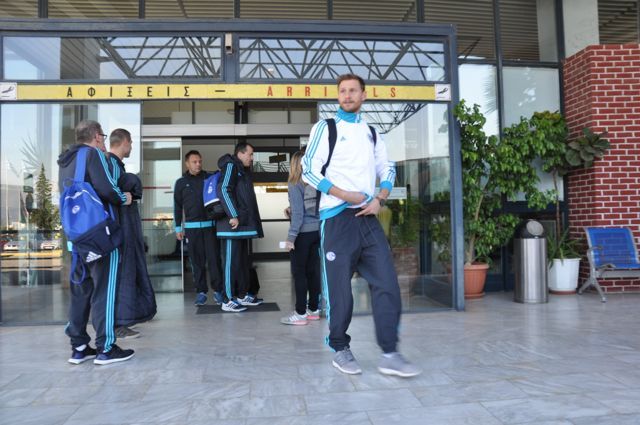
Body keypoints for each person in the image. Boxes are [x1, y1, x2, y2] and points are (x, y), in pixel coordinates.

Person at [301, 74, 422, 377]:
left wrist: (380, 198)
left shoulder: (372, 132)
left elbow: (388, 168)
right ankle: (340, 348)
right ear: (338, 96)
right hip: (336, 219)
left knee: (387, 284)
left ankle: (390, 352)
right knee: (340, 291)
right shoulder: (326, 128)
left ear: (363, 95)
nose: (347, 95)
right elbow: (308, 170)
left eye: (353, 90)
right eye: (342, 91)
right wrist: (343, 194)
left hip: (368, 219)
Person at [58, 120, 135, 365]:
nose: (103, 141)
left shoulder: (66, 161)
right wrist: (125, 197)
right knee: (104, 290)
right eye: (102, 136)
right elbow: (107, 189)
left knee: (81, 291)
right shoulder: (94, 155)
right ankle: (106, 347)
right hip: (99, 237)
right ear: (97, 137)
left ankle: (79, 346)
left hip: (76, 238)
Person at [108, 129, 157, 339]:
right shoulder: (110, 165)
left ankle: (127, 318)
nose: (131, 147)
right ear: (125, 142)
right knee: (122, 277)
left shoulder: (115, 165)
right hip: (119, 233)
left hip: (124, 232)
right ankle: (118, 325)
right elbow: (108, 193)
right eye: (131, 143)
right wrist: (124, 196)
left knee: (129, 275)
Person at [216, 143, 264, 312]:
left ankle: (242, 295)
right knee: (230, 264)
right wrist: (233, 215)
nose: (252, 158)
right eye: (250, 154)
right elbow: (223, 189)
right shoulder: (230, 166)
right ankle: (227, 299)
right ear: (240, 153)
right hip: (232, 225)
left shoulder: (242, 170)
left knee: (242, 262)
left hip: (242, 225)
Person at [173, 150, 223, 306]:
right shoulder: (181, 183)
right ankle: (201, 292)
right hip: (192, 229)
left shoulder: (209, 178)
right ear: (187, 164)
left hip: (210, 228)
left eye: (200, 161)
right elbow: (177, 206)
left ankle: (218, 291)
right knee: (197, 262)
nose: (198, 164)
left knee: (214, 261)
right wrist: (178, 228)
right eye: (194, 162)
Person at [281, 150, 321, 325]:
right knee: (313, 272)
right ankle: (313, 309)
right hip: (317, 232)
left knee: (299, 274)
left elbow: (298, 215)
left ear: (294, 165)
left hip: (303, 234)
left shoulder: (295, 183)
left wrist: (291, 238)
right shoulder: (316, 182)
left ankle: (300, 314)